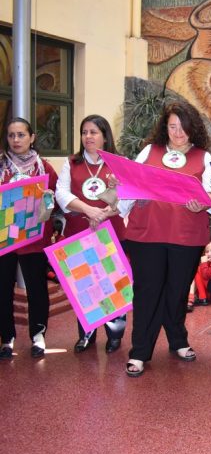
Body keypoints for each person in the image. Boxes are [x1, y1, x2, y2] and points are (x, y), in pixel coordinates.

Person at [118, 101, 211, 377]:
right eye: (172, 126)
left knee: (177, 292)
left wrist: (204, 202)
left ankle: (178, 340)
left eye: (183, 127)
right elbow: (130, 184)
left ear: (193, 128)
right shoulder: (150, 151)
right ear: (165, 127)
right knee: (147, 292)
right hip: (147, 233)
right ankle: (139, 352)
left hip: (186, 236)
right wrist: (121, 195)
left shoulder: (203, 157)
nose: (178, 132)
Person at [55, 115, 127, 354]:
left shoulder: (119, 162)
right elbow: (61, 194)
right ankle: (86, 334)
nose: (88, 137)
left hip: (111, 233)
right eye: (84, 132)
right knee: (84, 286)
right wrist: (89, 210)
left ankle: (115, 334)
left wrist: (103, 214)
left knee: (113, 285)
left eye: (93, 132)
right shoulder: (71, 162)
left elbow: (128, 196)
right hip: (79, 234)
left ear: (105, 136)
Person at [0, 117, 57, 359]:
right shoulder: (0, 166)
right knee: (2, 289)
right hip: (4, 240)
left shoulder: (44, 168)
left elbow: (56, 203)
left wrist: (48, 199)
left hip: (34, 239)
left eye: (21, 135)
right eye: (11, 135)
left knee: (37, 289)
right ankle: (7, 338)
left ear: (32, 137)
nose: (16, 140)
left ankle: (38, 335)